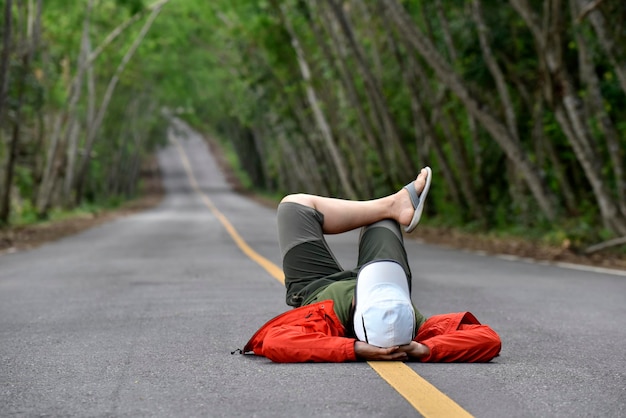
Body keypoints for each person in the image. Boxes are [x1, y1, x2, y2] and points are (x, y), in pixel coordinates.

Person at [242, 168, 501, 363]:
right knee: (384, 220)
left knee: (293, 206)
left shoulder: (324, 326)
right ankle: (393, 205)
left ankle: (391, 205)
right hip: (381, 274)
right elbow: (489, 338)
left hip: (314, 287)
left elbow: (278, 341)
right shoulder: (419, 328)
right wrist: (425, 349)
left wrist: (353, 349)